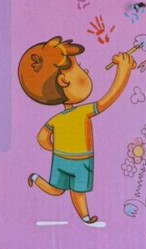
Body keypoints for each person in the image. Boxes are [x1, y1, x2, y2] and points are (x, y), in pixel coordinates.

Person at [18, 35, 134, 224]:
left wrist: (55, 148)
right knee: (78, 191)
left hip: (61, 159)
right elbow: (107, 100)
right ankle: (85, 216)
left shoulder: (56, 119)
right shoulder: (82, 112)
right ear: (64, 80)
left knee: (58, 190)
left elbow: (42, 138)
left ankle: (39, 181)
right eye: (78, 67)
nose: (85, 70)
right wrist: (123, 71)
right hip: (81, 160)